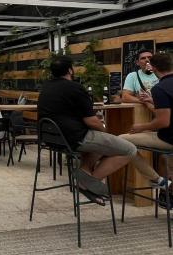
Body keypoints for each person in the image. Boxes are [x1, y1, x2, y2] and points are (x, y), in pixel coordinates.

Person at [38, 56, 137, 204]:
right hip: (75, 138)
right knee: (129, 149)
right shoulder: (75, 88)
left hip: (53, 139)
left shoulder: (45, 88)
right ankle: (88, 183)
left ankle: (84, 177)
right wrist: (106, 130)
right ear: (70, 70)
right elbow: (92, 121)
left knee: (99, 145)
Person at [120, 53, 173, 200]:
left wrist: (141, 127)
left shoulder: (160, 88)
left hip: (168, 138)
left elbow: (164, 121)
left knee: (122, 141)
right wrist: (152, 100)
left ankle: (157, 180)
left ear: (153, 67)